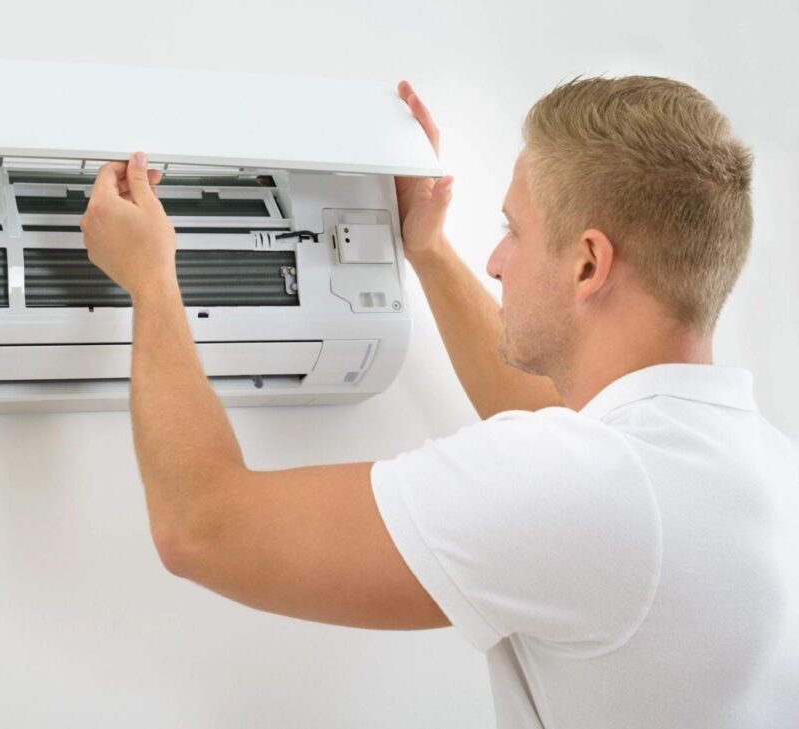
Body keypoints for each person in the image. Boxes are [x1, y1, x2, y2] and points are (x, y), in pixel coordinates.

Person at [78, 76, 798, 728]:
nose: (496, 260)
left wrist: (150, 279)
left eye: (514, 230)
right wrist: (428, 250)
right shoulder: (765, 469)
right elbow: (575, 435)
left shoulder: (588, 486)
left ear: (587, 264)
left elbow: (203, 527)